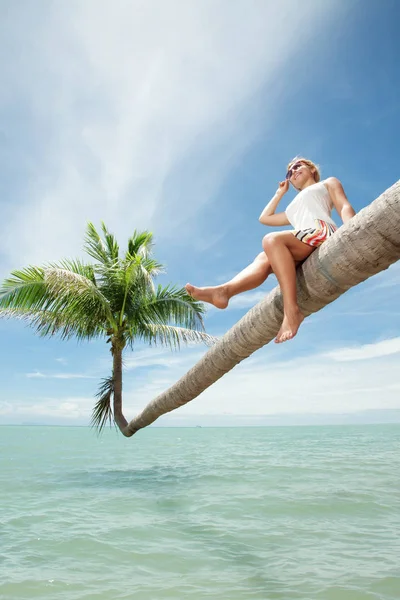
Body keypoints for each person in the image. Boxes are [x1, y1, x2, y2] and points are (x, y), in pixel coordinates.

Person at [185, 157, 356, 343]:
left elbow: (343, 205)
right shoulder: (292, 208)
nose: (293, 171)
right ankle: (225, 292)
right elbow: (265, 218)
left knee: (272, 240)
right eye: (289, 172)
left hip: (320, 232)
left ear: (312, 169)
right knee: (263, 256)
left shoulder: (326, 183)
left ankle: (291, 312)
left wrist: (353, 228)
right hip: (302, 240)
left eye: (298, 166)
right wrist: (279, 193)